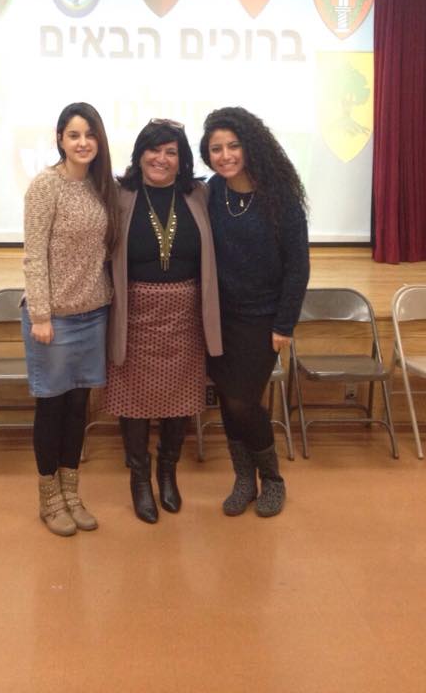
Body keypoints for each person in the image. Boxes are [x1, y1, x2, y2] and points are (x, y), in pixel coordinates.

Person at [105, 119, 222, 523]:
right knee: (133, 402)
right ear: (139, 154)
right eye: (153, 150)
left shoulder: (198, 194)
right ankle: (140, 479)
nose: (161, 158)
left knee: (180, 400)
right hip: (133, 313)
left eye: (171, 152)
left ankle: (168, 472)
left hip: (187, 315)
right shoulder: (119, 195)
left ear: (182, 159)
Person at [200, 106, 309, 518]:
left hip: (262, 320)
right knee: (229, 401)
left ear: (250, 146)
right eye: (216, 148)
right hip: (218, 319)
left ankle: (273, 479)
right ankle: (244, 479)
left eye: (233, 145)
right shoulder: (211, 193)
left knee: (244, 400)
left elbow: (298, 266)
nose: (225, 155)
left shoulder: (280, 197)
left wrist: (285, 324)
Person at [21, 102, 118, 537]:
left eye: (90, 134)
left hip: (93, 314)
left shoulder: (103, 186)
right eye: (74, 135)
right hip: (54, 320)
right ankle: (50, 498)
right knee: (52, 406)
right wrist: (41, 314)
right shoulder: (46, 186)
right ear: (60, 139)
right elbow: (34, 254)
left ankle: (72, 492)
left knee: (79, 407)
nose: (83, 143)